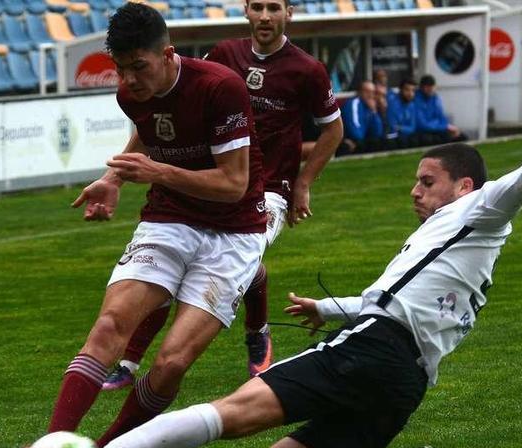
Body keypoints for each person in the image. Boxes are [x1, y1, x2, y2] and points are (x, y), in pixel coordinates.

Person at [11, 100, 522, 448]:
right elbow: (397, 301)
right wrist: (326, 309)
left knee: (233, 411)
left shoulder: (483, 209)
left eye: (427, 181)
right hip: (406, 382)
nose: (415, 190)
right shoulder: (464, 247)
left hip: (372, 352)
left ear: (465, 186)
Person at [38, 2, 267, 448]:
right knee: (108, 326)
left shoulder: (221, 87)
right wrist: (113, 177)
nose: (128, 81)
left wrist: (156, 173)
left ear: (167, 55)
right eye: (120, 69)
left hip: (235, 230)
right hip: (170, 217)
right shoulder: (130, 93)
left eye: (138, 67)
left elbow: (233, 185)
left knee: (170, 363)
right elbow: (150, 130)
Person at [101, 0, 343, 390]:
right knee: (166, 263)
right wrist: (120, 170)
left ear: (289, 13)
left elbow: (333, 130)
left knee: (231, 261)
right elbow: (160, 119)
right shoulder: (223, 55)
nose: (266, 16)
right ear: (246, 11)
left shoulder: (307, 70)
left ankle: (256, 331)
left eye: (274, 7)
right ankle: (129, 363)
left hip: (269, 189)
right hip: (212, 180)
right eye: (258, 7)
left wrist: (303, 183)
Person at [414, 74, 465, 144]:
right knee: (433, 140)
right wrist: (444, 126)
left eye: (432, 87)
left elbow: (442, 117)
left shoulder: (435, 97)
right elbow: (422, 125)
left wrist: (447, 126)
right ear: (421, 87)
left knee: (461, 136)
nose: (430, 89)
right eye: (427, 87)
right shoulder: (416, 100)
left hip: (437, 129)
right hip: (423, 131)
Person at [340, 80, 384, 154]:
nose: (371, 95)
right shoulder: (354, 103)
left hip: (362, 139)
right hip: (347, 140)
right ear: (360, 92)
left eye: (372, 92)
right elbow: (355, 133)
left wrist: (374, 111)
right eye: (367, 92)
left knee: (380, 142)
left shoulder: (370, 107)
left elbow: (378, 132)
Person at [387, 78, 419, 148]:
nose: (410, 93)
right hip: (392, 134)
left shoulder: (412, 105)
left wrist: (401, 128)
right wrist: (402, 129)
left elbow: (413, 127)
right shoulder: (393, 104)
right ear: (400, 90)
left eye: (413, 90)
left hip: (405, 133)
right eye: (407, 90)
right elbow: (393, 127)